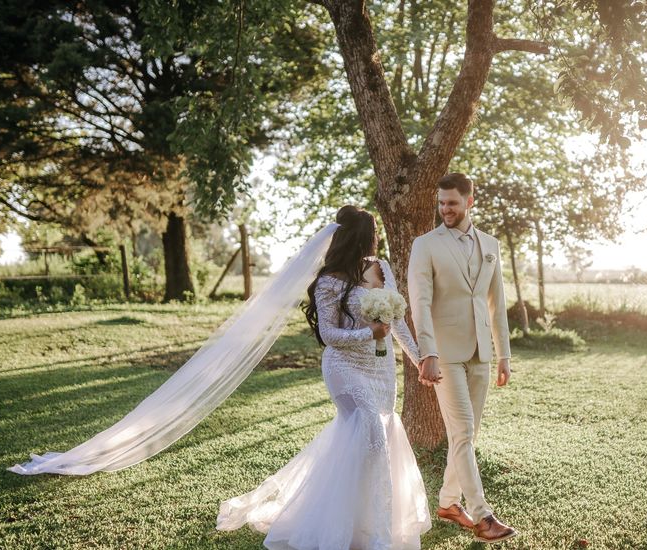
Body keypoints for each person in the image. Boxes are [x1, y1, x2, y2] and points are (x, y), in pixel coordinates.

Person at [217, 205, 432, 549]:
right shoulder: (330, 280)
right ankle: (369, 535)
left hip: (380, 369)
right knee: (372, 435)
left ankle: (361, 523)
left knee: (370, 440)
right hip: (344, 368)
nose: (377, 239)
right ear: (359, 237)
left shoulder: (382, 267)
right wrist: (369, 334)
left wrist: (420, 360)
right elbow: (329, 335)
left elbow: (397, 324)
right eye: (373, 233)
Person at [407, 173, 517, 543]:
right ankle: (482, 515)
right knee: (463, 431)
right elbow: (419, 303)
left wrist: (503, 354)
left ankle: (448, 503)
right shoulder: (426, 245)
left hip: (481, 354)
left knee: (466, 435)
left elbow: (496, 303)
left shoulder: (490, 245)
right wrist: (428, 353)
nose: (445, 210)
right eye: (441, 203)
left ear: (470, 201)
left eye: (452, 203)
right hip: (445, 355)